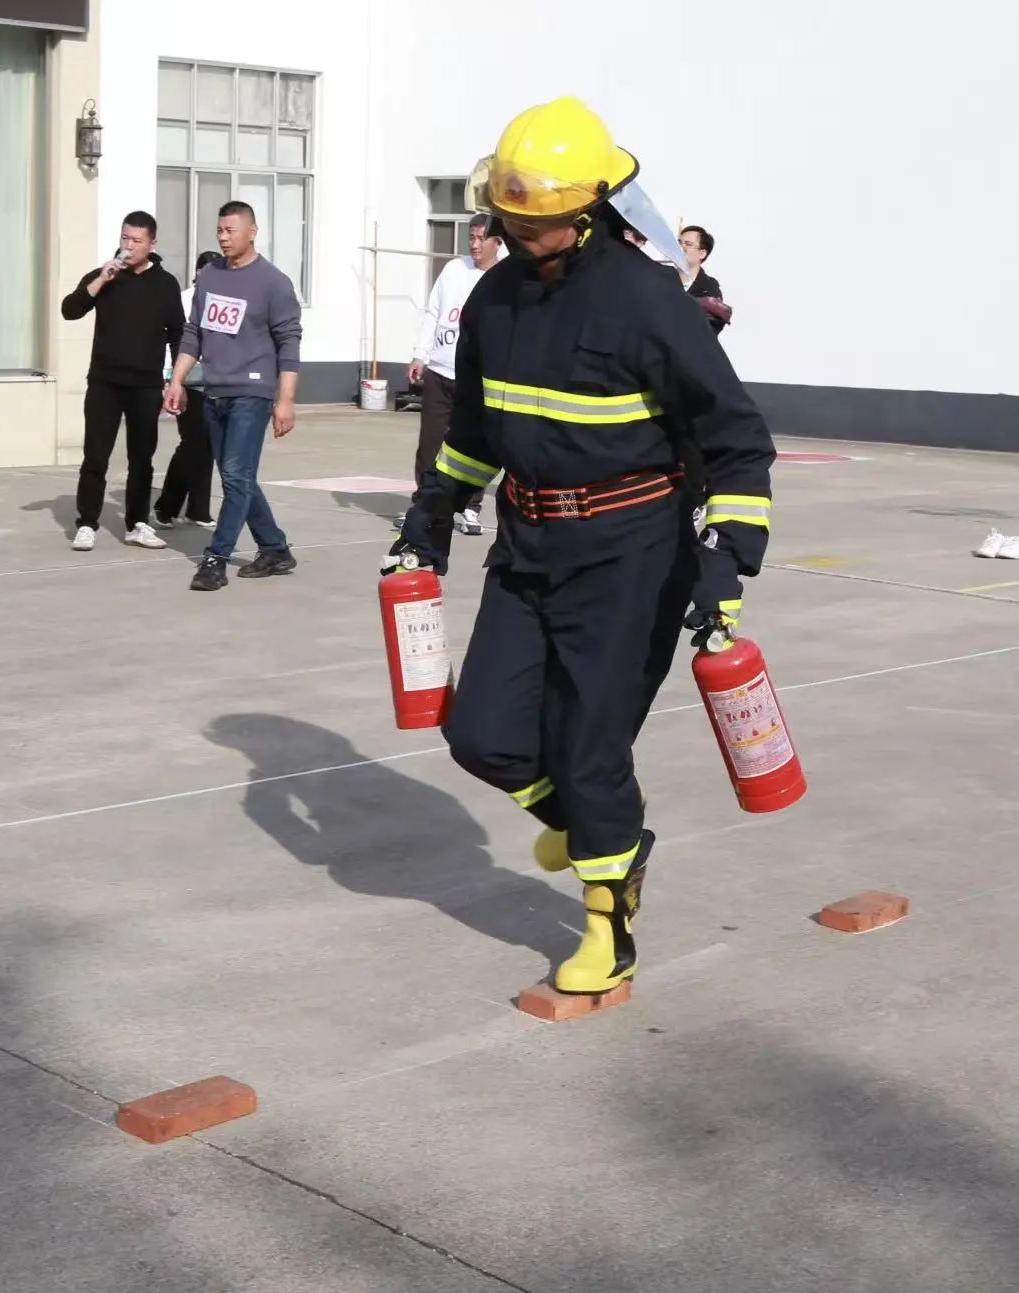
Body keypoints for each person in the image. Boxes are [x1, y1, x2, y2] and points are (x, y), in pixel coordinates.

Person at [389, 97, 776, 995]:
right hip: (529, 544)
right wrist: (430, 514)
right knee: (482, 735)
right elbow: (476, 430)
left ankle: (609, 922)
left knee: (592, 748)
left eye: (535, 220)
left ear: (590, 203)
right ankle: (601, 828)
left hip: (633, 554)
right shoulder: (493, 298)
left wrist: (725, 567)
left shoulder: (647, 302)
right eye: (508, 217)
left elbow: (735, 439)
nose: (515, 232)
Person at [163, 201, 302, 592]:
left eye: (231, 230)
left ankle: (215, 557)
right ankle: (274, 547)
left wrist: (285, 400)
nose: (223, 237)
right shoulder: (210, 277)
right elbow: (194, 334)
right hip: (215, 391)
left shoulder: (273, 282)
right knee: (236, 477)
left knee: (236, 477)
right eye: (219, 231)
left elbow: (289, 343)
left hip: (253, 392)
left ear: (252, 231)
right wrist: (177, 380)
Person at [61, 211, 185, 552]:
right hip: (105, 382)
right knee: (95, 456)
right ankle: (87, 522)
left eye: (137, 241)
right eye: (125, 238)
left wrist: (176, 381)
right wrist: (102, 278)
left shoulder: (165, 284)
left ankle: (137, 523)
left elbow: (178, 335)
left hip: (145, 385)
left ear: (152, 244)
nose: (129, 246)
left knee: (142, 458)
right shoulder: (106, 276)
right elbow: (70, 310)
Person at [405, 213, 504, 538]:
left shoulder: (505, 275)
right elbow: (433, 311)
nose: (475, 245)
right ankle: (424, 505)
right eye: (471, 238)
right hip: (440, 370)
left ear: (497, 242)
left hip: (476, 377)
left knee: (473, 444)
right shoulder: (453, 270)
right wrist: (421, 354)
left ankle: (471, 507)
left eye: (481, 239)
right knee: (430, 443)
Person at [152, 250, 222, 530]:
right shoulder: (184, 299)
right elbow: (176, 340)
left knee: (208, 448)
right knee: (192, 445)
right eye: (204, 272)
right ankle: (165, 506)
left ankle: (199, 509)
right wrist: (170, 381)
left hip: (216, 383)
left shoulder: (222, 300)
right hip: (187, 382)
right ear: (196, 273)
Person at [679, 224, 731, 335]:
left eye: (688, 244)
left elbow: (709, 331)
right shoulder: (661, 277)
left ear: (702, 253)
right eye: (679, 243)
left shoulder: (710, 290)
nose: (681, 247)